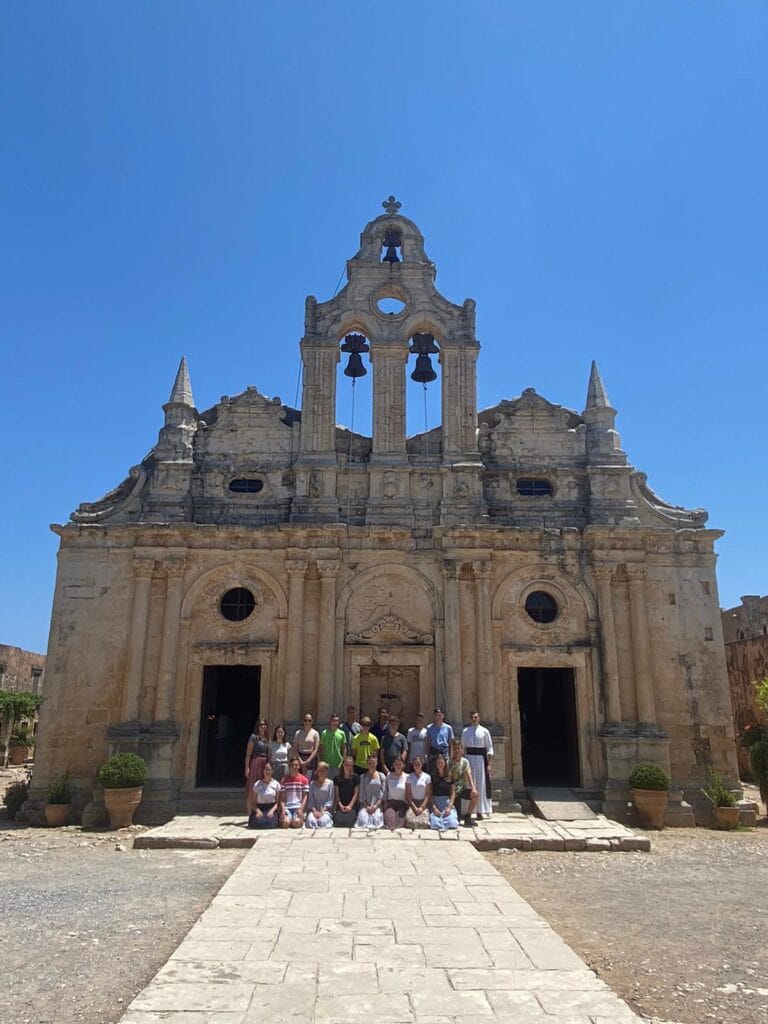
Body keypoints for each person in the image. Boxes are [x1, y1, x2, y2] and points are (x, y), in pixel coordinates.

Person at [461, 710, 494, 819]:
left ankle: (481, 810)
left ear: (479, 718)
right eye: (472, 717)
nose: (474, 719)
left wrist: (489, 764)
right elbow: (462, 747)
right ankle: (469, 811)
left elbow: (489, 748)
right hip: (469, 759)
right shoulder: (465, 731)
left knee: (481, 785)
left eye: (475, 717)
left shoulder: (485, 731)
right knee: (470, 785)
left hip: (481, 760)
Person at [448, 739, 478, 827]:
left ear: (461, 749)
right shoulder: (449, 762)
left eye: (458, 748)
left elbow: (469, 775)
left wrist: (473, 788)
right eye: (455, 749)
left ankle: (468, 816)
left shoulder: (465, 761)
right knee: (456, 820)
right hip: (453, 791)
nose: (457, 751)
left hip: (462, 788)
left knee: (475, 795)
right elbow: (450, 779)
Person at [244, 718, 270, 813]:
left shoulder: (267, 739)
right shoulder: (253, 737)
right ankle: (250, 814)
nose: (263, 726)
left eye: (264, 724)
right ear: (257, 727)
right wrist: (247, 768)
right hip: (256, 763)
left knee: (263, 788)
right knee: (252, 788)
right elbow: (248, 754)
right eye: (260, 725)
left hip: (265, 764)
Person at [354, 754, 385, 830]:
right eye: (370, 764)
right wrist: (367, 806)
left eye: (373, 763)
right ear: (367, 764)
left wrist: (375, 806)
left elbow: (383, 794)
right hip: (365, 805)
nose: (372, 765)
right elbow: (361, 794)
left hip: (377, 805)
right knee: (362, 820)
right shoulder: (363, 777)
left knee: (376, 820)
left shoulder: (381, 776)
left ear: (376, 763)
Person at [429, 754, 459, 831]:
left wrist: (449, 806)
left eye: (441, 762)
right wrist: (434, 807)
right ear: (436, 764)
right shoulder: (432, 777)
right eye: (438, 763)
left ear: (445, 763)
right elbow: (430, 794)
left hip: (447, 802)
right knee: (435, 824)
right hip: (436, 802)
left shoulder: (450, 776)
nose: (440, 764)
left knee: (452, 823)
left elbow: (453, 793)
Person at [248, 761, 281, 829]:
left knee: (270, 823)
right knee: (256, 823)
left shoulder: (276, 784)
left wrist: (272, 811)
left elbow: (277, 803)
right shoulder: (257, 785)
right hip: (260, 808)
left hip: (271, 808)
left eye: (269, 769)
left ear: (272, 771)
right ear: (263, 771)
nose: (267, 772)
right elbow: (253, 803)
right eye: (265, 769)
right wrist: (258, 811)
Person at [280, 756, 309, 828]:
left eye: (296, 765)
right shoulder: (284, 780)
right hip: (287, 807)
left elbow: (305, 796)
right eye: (292, 765)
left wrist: (301, 808)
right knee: (285, 823)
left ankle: (297, 820)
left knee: (296, 823)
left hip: (297, 807)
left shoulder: (304, 780)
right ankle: (289, 820)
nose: (294, 767)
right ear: (290, 766)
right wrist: (283, 808)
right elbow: (282, 797)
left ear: (299, 766)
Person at [405, 755, 432, 829]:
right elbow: (408, 794)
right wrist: (414, 808)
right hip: (413, 803)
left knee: (424, 823)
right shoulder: (409, 777)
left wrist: (421, 807)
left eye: (418, 764)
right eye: (415, 764)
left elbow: (428, 795)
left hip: (423, 803)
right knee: (409, 821)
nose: (417, 766)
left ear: (422, 764)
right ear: (413, 765)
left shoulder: (427, 777)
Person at [306, 761, 335, 829]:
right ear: (317, 772)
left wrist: (323, 811)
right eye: (320, 770)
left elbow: (330, 800)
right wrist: (314, 811)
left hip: (326, 810)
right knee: (311, 821)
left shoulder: (330, 783)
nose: (322, 772)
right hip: (314, 810)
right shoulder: (312, 783)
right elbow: (311, 800)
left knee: (322, 821)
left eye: (324, 770)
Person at [292, 713, 320, 780]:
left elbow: (316, 749)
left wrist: (307, 761)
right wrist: (301, 761)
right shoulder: (298, 733)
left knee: (310, 780)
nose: (307, 722)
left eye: (309, 720)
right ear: (303, 721)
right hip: (300, 758)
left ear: (312, 721)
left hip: (311, 759)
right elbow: (295, 748)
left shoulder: (315, 733)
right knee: (299, 779)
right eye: (305, 720)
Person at [319, 713, 347, 779]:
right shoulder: (324, 733)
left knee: (337, 783)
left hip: (338, 764)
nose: (335, 722)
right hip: (327, 763)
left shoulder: (342, 733)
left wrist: (343, 760)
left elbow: (344, 748)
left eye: (336, 721)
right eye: (333, 720)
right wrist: (321, 761)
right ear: (330, 721)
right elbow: (321, 748)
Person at [383, 756, 408, 830]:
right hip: (391, 803)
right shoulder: (389, 776)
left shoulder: (407, 777)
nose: (398, 766)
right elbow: (385, 791)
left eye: (400, 764)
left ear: (403, 765)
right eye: (396, 764)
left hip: (402, 804)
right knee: (389, 824)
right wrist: (385, 804)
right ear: (393, 765)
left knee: (400, 824)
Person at [333, 755, 359, 827]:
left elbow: (356, 794)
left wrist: (350, 806)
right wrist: (340, 805)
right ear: (343, 764)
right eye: (346, 765)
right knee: (339, 822)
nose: (348, 767)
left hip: (351, 806)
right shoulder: (337, 778)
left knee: (349, 822)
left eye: (350, 765)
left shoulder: (355, 777)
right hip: (341, 805)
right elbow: (337, 794)